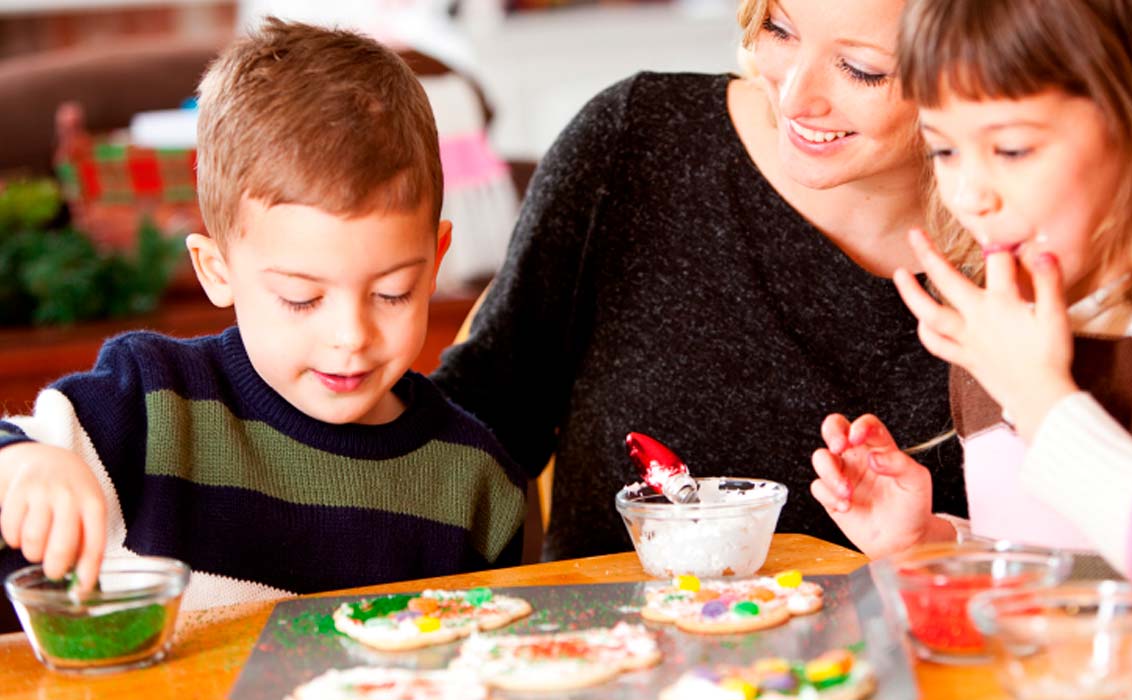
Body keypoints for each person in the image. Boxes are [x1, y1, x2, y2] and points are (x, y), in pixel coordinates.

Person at [811, 0, 1132, 674]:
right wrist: (924, 538)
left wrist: (1038, 393)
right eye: (945, 148)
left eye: (1012, 148)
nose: (969, 192)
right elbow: (1054, 561)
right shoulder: (1003, 321)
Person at [0, 19, 527, 611]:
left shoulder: (476, 483)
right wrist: (24, 464)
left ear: (435, 264)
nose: (351, 336)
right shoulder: (150, 403)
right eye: (302, 298)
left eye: (393, 292)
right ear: (216, 270)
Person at [432, 0, 967, 562]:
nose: (793, 97)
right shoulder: (637, 142)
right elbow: (477, 424)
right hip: (606, 646)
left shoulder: (1029, 241)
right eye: (779, 29)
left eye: (862, 68)